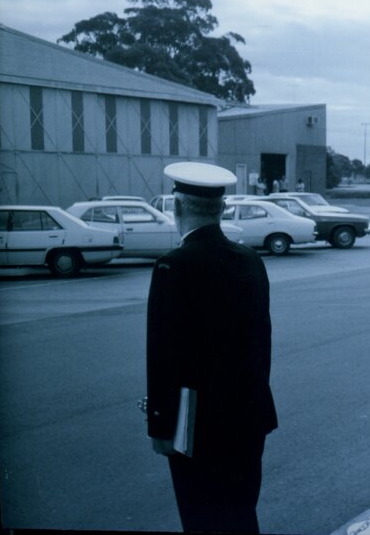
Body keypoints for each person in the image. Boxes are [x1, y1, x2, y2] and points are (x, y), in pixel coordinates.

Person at [145, 162, 277, 533]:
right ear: (220, 208)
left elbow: (164, 355)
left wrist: (160, 423)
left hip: (197, 425)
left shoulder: (173, 265)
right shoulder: (250, 259)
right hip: (250, 414)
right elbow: (261, 343)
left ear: (178, 207)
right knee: (240, 513)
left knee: (202, 518)